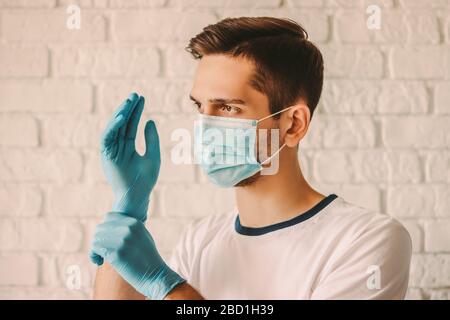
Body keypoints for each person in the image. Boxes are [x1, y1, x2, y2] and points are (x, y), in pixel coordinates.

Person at [89, 17, 412, 300]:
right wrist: (127, 212)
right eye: (200, 107)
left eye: (228, 108)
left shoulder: (365, 240)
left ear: (293, 124)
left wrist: (166, 285)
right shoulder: (201, 240)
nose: (205, 127)